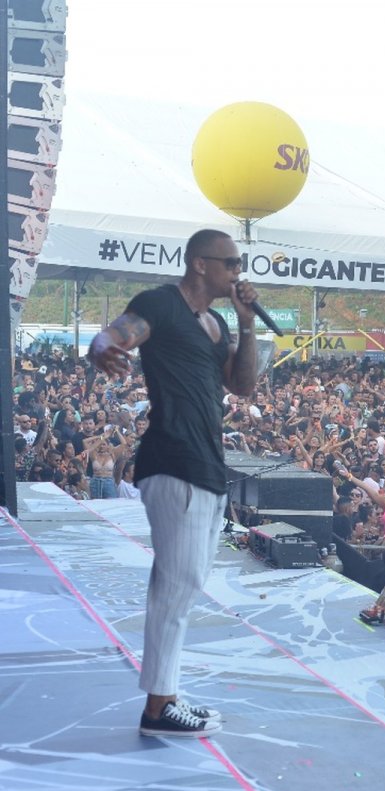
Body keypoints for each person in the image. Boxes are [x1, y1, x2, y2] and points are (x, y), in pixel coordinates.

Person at [87, 228, 260, 738]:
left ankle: (167, 696)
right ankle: (158, 708)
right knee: (175, 585)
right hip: (173, 457)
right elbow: (115, 334)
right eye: (230, 263)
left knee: (186, 586)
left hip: (207, 462)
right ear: (200, 264)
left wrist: (247, 326)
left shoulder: (217, 323)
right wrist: (102, 347)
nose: (237, 272)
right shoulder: (160, 304)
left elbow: (243, 385)